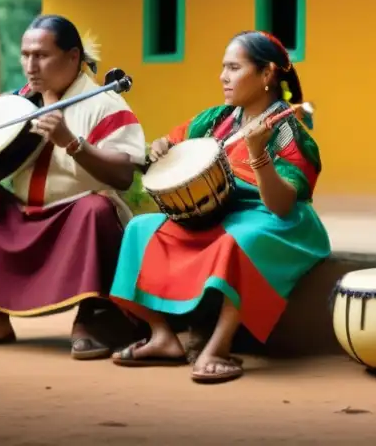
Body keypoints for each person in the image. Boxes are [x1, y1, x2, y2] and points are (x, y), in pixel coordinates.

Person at [108, 30, 331, 384]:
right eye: (223, 67)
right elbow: (174, 140)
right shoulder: (217, 119)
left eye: (233, 67)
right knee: (140, 229)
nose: (222, 76)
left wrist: (258, 155)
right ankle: (163, 337)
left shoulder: (290, 133)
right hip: (214, 212)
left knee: (238, 240)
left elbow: (281, 204)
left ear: (267, 74)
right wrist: (161, 147)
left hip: (271, 218)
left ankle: (218, 347)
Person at [0, 14, 147, 360]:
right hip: (23, 215)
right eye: (25, 55)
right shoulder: (17, 102)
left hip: (75, 219)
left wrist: (72, 143)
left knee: (96, 209)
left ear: (73, 57)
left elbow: (123, 174)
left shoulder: (105, 104)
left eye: (42, 55)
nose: (31, 66)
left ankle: (94, 320)